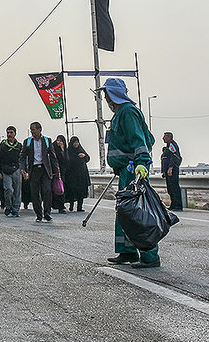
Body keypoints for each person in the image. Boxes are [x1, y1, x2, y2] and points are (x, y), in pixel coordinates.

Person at [102, 77, 160, 269]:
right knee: (125, 212)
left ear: (112, 94)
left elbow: (139, 140)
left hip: (135, 170)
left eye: (106, 94)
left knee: (137, 214)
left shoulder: (128, 112)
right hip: (125, 171)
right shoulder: (119, 114)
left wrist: (142, 163)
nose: (105, 99)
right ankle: (127, 251)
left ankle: (150, 256)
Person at [19, 122, 60, 223]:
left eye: (33, 129)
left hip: (45, 169)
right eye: (31, 129)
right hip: (34, 170)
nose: (32, 131)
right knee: (35, 193)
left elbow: (53, 156)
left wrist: (56, 170)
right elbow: (22, 156)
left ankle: (47, 213)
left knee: (47, 190)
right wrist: (23, 169)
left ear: (39, 129)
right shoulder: (28, 142)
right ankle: (38, 214)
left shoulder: (47, 140)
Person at [0, 126, 23, 217]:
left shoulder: (19, 146)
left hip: (16, 170)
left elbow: (22, 159)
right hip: (5, 170)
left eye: (11, 132)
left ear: (15, 133)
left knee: (17, 191)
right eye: (8, 133)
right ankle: (8, 206)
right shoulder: (3, 145)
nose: (9, 134)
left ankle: (15, 208)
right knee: (8, 189)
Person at [64, 136, 91, 212]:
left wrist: (84, 156)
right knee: (72, 191)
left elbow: (88, 158)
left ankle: (80, 207)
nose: (76, 144)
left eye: (77, 142)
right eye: (74, 142)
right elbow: (66, 160)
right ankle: (71, 205)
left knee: (81, 191)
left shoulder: (81, 150)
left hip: (81, 175)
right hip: (71, 175)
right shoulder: (68, 151)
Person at [161, 132, 184, 211]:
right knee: (170, 188)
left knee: (174, 188)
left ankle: (178, 206)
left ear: (169, 137)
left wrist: (171, 168)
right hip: (168, 170)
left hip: (172, 170)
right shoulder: (168, 146)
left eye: (165, 137)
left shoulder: (172, 145)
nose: (163, 138)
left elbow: (174, 156)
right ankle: (173, 205)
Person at [52, 134, 68, 214]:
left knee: (61, 189)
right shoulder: (53, 148)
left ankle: (61, 206)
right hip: (53, 171)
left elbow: (66, 160)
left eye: (61, 141)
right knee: (53, 189)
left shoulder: (64, 149)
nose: (59, 142)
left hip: (62, 172)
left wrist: (62, 150)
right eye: (58, 140)